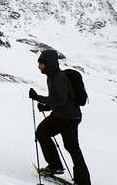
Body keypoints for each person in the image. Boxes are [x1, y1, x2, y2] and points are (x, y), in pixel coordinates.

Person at [29, 49, 91, 185]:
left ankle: (83, 181)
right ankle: (54, 166)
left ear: (49, 64)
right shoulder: (52, 76)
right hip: (60, 115)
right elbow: (59, 100)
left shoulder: (59, 78)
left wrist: (40, 99)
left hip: (69, 118)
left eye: (41, 64)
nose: (39, 66)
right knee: (42, 132)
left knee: (72, 147)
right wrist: (47, 106)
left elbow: (59, 101)